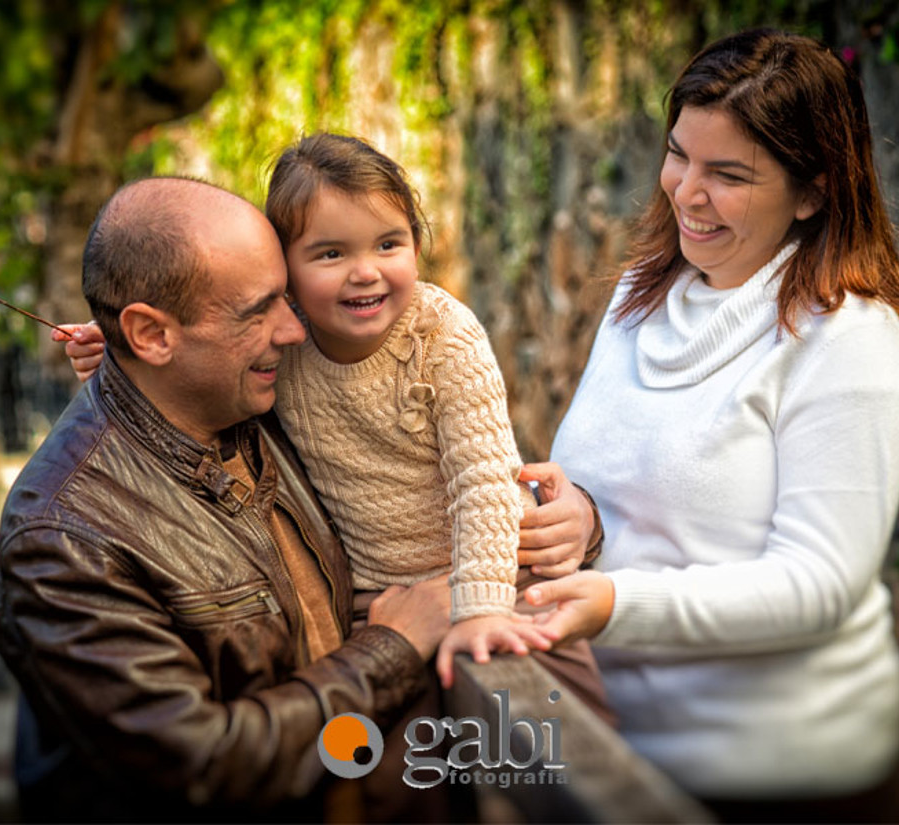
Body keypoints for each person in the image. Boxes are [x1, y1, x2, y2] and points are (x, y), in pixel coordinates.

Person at [521, 27, 899, 821]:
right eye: (679, 154)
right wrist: (588, 520)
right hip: (621, 744)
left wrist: (612, 602)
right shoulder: (645, 289)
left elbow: (817, 585)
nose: (685, 191)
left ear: (814, 191)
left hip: (781, 773)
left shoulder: (849, 344)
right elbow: (645, 497)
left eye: (729, 174)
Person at [60, 134, 614, 716]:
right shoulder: (285, 342)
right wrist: (122, 347)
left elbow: (483, 484)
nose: (365, 272)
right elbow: (190, 364)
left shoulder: (442, 336)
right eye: (331, 254)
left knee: (556, 742)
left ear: (417, 247)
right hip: (377, 599)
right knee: (410, 773)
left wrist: (481, 608)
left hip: (502, 579)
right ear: (286, 275)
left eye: (388, 244)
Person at [0, 177, 458, 823]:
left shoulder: (265, 403)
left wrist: (575, 515)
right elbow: (205, 765)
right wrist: (392, 649)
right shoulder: (63, 537)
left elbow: (427, 482)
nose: (294, 329)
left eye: (287, 298)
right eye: (258, 310)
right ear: (151, 335)